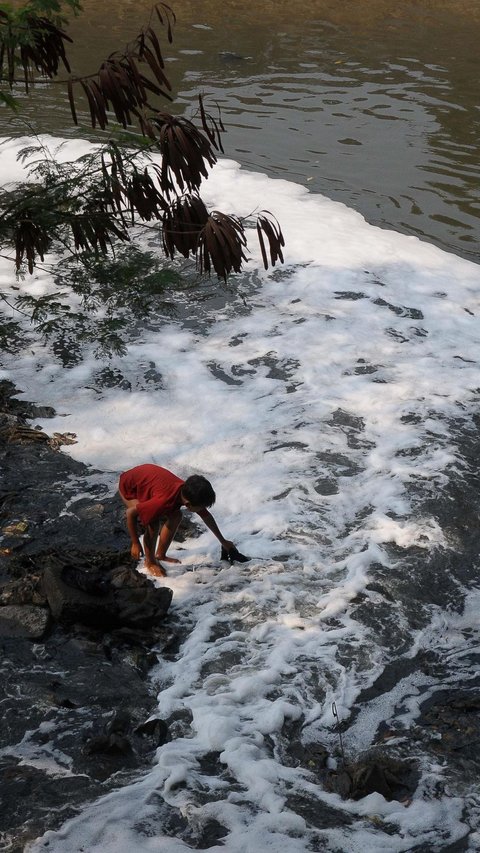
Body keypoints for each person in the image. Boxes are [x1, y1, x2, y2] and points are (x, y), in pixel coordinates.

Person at [118, 463, 235, 577]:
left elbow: (206, 517)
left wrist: (223, 541)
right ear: (188, 504)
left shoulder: (187, 491)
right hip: (129, 487)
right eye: (201, 507)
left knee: (176, 516)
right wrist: (135, 542)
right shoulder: (163, 501)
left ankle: (160, 555)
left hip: (145, 479)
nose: (202, 509)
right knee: (153, 523)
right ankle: (150, 562)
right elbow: (131, 513)